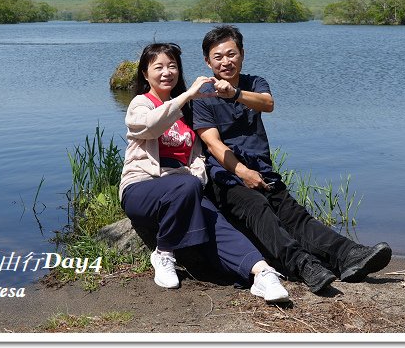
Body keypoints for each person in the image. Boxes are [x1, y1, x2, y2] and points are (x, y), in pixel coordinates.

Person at [192, 25, 392, 294]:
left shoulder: (254, 83)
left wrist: (235, 94)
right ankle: (303, 265)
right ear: (208, 61)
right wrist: (242, 172)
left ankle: (349, 255)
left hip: (262, 170)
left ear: (242, 54)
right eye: (218, 57)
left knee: (294, 215)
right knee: (258, 208)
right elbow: (212, 143)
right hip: (225, 176)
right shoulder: (203, 94)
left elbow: (267, 103)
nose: (226, 61)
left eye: (232, 54)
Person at [119, 42, 290, 302]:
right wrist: (187, 95)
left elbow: (199, 157)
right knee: (188, 186)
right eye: (159, 67)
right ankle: (163, 252)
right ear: (145, 73)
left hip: (183, 191)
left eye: (173, 66)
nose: (167, 72)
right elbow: (150, 127)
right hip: (142, 188)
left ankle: (261, 273)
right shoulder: (140, 104)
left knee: (215, 222)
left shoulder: (186, 113)